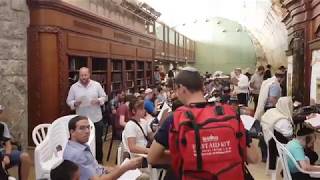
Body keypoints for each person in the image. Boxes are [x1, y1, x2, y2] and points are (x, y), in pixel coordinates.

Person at [147, 67, 260, 179]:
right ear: (202, 87)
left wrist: (188, 155)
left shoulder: (175, 118)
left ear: (181, 88)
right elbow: (254, 157)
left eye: (176, 90)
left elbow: (152, 158)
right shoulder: (230, 115)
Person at [64, 115, 143, 180]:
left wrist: (115, 169)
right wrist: (125, 168)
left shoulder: (77, 145)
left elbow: (95, 167)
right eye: (82, 128)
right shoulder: (77, 154)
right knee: (142, 177)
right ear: (72, 132)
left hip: (102, 174)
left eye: (88, 127)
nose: (87, 131)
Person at [66, 67, 107, 163]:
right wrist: (74, 103)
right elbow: (68, 101)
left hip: (96, 118)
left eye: (85, 75)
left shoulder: (96, 85)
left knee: (98, 141)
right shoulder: (74, 87)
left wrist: (98, 100)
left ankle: (99, 161)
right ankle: (84, 161)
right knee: (82, 141)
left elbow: (105, 97)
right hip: (81, 120)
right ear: (79, 76)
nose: (84, 77)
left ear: (89, 74)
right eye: (81, 75)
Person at [261, 97, 294, 173]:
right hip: (281, 148)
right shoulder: (283, 121)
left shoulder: (271, 112)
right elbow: (289, 134)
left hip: (270, 142)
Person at [0, 105, 32, 180]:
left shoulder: (3, 126)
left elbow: (8, 144)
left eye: (0, 112)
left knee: (25, 157)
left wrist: (7, 155)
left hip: (3, 153)